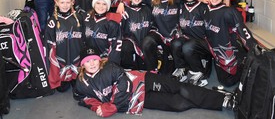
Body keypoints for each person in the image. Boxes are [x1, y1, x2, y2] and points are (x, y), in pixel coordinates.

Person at [74, 47, 236, 117]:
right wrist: (98, 108)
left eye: (94, 60)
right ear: (82, 65)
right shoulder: (81, 82)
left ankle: (222, 99)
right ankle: (212, 100)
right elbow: (82, 99)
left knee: (178, 87)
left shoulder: (109, 67)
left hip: (143, 81)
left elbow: (124, 84)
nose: (92, 63)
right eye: (88, 61)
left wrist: (113, 106)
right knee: (179, 104)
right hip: (136, 100)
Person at [203, 0, 258, 87]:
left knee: (227, 82)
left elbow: (243, 32)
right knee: (223, 80)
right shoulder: (206, 10)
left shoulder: (228, 11)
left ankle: (246, 63)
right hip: (216, 52)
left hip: (229, 51)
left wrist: (254, 49)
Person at [170, 0, 211, 87]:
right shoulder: (181, 6)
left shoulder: (203, 7)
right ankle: (181, 68)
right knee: (175, 43)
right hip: (188, 38)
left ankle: (199, 71)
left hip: (204, 41)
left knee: (188, 47)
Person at [45, 0, 84, 92]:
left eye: (68, 2)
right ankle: (64, 78)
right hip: (61, 55)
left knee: (78, 86)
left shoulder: (78, 18)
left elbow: (84, 37)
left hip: (76, 53)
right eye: (62, 2)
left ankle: (74, 76)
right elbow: (49, 42)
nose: (65, 5)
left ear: (72, 2)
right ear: (56, 2)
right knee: (62, 89)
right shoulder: (52, 21)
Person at [142, 0, 180, 73]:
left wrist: (201, 0)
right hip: (157, 34)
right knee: (147, 43)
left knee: (167, 72)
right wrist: (122, 3)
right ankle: (152, 69)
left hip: (172, 36)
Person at [83, 0, 122, 65]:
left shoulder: (112, 22)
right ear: (94, 3)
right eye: (98, 3)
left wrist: (110, 61)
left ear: (108, 6)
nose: (101, 6)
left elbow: (116, 45)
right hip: (88, 59)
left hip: (105, 60)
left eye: (104, 4)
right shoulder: (86, 18)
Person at [121, 0, 153, 70]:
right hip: (130, 44)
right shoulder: (124, 10)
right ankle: (127, 69)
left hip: (144, 44)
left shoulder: (147, 9)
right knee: (126, 47)